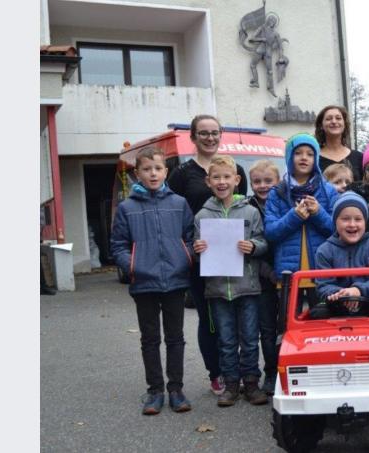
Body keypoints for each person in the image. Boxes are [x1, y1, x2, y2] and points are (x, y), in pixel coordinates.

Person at [167, 114, 249, 396]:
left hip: (235, 257)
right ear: (193, 137)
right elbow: (174, 215)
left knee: (238, 315)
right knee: (210, 318)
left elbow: (244, 211)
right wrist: (189, 249)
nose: (209, 137)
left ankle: (239, 371)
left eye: (214, 132)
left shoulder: (234, 167)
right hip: (202, 258)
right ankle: (217, 374)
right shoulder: (181, 173)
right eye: (203, 133)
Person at [110, 147, 194, 415]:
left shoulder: (179, 203)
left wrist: (186, 259)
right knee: (149, 339)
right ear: (138, 174)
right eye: (147, 169)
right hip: (143, 282)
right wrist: (133, 267)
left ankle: (176, 389)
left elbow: (191, 237)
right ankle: (155, 390)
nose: (153, 173)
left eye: (158, 168)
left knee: (175, 338)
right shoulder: (127, 207)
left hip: (175, 280)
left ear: (166, 172)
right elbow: (118, 244)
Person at [193, 155, 269, 407]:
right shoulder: (202, 215)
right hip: (217, 289)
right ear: (208, 181)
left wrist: (253, 246)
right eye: (216, 177)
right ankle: (231, 385)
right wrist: (198, 247)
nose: (222, 181)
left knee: (249, 338)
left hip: (247, 287)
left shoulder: (250, 211)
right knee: (226, 340)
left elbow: (263, 242)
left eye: (227, 177)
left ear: (237, 180)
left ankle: (251, 383)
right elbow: (195, 246)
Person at [265, 133, 338, 309]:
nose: (304, 157)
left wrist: (318, 213)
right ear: (290, 157)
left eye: (310, 154)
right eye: (298, 153)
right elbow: (270, 232)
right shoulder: (277, 192)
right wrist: (294, 216)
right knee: (288, 325)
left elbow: (338, 231)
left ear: (316, 158)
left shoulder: (328, 191)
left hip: (322, 271)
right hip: (288, 274)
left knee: (322, 325)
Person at [310, 191, 369, 319]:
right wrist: (340, 294)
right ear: (335, 222)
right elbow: (323, 284)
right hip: (338, 300)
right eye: (345, 219)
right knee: (318, 313)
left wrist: (358, 290)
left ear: (365, 222)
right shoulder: (324, 250)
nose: (352, 224)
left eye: (358, 219)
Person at [246, 160, 281, 394]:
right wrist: (268, 272)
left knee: (287, 327)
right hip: (262, 277)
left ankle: (287, 370)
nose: (262, 185)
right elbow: (249, 248)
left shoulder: (286, 203)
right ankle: (270, 372)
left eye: (268, 181)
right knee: (267, 329)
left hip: (288, 273)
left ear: (278, 182)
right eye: (257, 181)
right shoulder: (246, 209)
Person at [315, 105, 363, 181]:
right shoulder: (314, 158)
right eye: (328, 119)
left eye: (338, 118)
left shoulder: (359, 157)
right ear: (321, 125)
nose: (334, 121)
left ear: (344, 124)